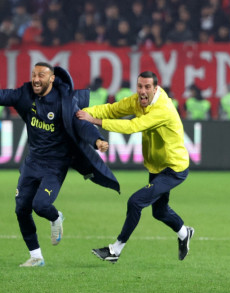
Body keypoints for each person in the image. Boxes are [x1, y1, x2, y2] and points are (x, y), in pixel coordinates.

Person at [0, 62, 119, 267]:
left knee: (41, 205)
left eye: (42, 75)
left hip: (55, 164)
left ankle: (56, 217)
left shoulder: (64, 101)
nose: (36, 79)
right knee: (21, 209)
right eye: (34, 75)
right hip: (33, 161)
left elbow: (80, 123)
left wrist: (96, 140)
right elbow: (4, 95)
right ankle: (36, 256)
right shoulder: (25, 94)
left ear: (52, 79)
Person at [76, 71, 194, 263]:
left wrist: (94, 121)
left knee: (135, 202)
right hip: (157, 167)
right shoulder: (137, 101)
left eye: (147, 87)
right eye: (140, 86)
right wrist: (86, 112)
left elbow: (132, 126)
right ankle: (184, 233)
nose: (143, 91)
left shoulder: (163, 108)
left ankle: (115, 250)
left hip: (174, 168)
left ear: (156, 89)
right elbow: (112, 109)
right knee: (160, 211)